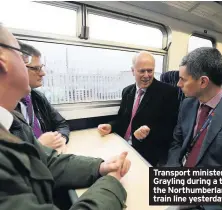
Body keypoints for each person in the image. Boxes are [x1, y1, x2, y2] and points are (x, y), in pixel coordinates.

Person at [0, 23, 131, 210]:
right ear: (2, 62)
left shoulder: (13, 119)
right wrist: (112, 183)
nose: (43, 73)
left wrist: (101, 167)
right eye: (23, 57)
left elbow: (48, 160)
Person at [166, 47, 222, 209]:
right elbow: (176, 143)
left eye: (183, 79)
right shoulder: (187, 104)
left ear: (203, 82)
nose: (178, 84)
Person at [98, 51, 179, 166]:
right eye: (142, 71)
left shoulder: (168, 92)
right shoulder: (127, 91)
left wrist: (146, 132)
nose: (146, 75)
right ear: (133, 71)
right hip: (123, 143)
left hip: (147, 150)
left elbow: (169, 128)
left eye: (150, 71)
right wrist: (111, 126)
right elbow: (123, 119)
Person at [13, 42, 69, 153]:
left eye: (41, 68)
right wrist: (39, 146)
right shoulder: (6, 105)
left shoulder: (38, 97)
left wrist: (61, 139)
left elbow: (61, 124)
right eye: (36, 68)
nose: (43, 73)